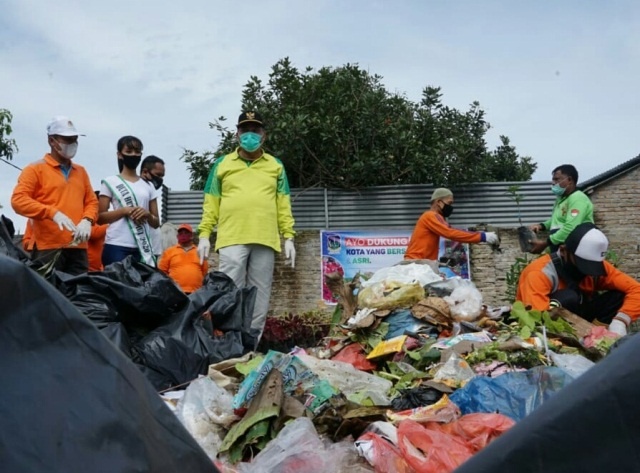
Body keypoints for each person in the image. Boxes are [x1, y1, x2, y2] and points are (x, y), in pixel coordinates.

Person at [197, 111, 296, 339]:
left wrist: (289, 236)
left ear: (264, 135)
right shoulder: (222, 164)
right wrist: (204, 234)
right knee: (229, 293)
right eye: (245, 130)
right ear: (237, 134)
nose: (250, 135)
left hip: (265, 238)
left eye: (255, 130)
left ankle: (251, 346)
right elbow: (211, 202)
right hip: (232, 237)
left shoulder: (275, 165)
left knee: (260, 296)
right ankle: (227, 346)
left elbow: (283, 203)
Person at [516, 222, 640, 337]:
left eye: (592, 266)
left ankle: (601, 337)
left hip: (583, 316)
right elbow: (537, 319)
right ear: (564, 251)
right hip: (554, 324)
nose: (587, 272)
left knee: (619, 296)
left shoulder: (600, 267)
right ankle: (584, 337)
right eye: (583, 264)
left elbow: (636, 289)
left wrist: (621, 321)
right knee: (569, 297)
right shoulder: (539, 273)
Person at [11, 116, 98, 275]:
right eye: (67, 139)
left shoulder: (81, 172)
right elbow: (18, 201)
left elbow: (92, 202)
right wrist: (52, 213)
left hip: (78, 246)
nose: (72, 143)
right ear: (52, 141)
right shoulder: (35, 169)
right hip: (48, 247)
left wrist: (87, 220)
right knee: (48, 289)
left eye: (74, 139)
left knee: (79, 289)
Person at [98, 136, 160, 267]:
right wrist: (124, 211)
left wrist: (147, 214)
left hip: (142, 247)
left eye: (137, 152)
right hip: (116, 244)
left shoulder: (148, 185)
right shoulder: (110, 182)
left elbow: (156, 223)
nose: (133, 155)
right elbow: (100, 217)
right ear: (120, 155)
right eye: (129, 151)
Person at [404, 188, 499, 261]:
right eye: (449, 203)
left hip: (422, 263)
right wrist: (482, 236)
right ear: (439, 202)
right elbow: (450, 232)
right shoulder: (430, 215)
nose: (450, 207)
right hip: (416, 264)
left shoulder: (434, 217)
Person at [528, 164, 594, 254]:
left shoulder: (577, 198)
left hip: (573, 250)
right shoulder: (561, 199)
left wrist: (545, 243)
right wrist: (541, 226)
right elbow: (556, 220)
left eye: (556, 179)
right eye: (553, 179)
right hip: (560, 248)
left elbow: (571, 227)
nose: (553, 183)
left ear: (569, 180)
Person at [158, 224, 208, 293]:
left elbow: (205, 272)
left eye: (186, 233)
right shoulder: (169, 251)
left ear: (191, 236)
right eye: (181, 233)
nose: (183, 235)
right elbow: (162, 272)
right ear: (177, 236)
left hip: (196, 292)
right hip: (175, 292)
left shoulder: (199, 251)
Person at [140, 155, 166, 261]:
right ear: (145, 172)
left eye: (162, 176)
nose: (160, 179)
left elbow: (156, 221)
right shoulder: (136, 189)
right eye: (158, 175)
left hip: (153, 248)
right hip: (141, 247)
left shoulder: (151, 190)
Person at [87, 191, 108, 271]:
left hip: (99, 268)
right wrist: (114, 225)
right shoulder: (86, 218)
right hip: (88, 269)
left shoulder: (101, 223)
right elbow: (94, 233)